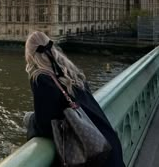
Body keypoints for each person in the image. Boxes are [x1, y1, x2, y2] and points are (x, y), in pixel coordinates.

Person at [25, 31, 125, 167]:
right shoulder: (71, 70)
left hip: (93, 153)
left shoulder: (41, 78)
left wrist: (30, 120)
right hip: (108, 142)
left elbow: (45, 126)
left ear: (30, 55)